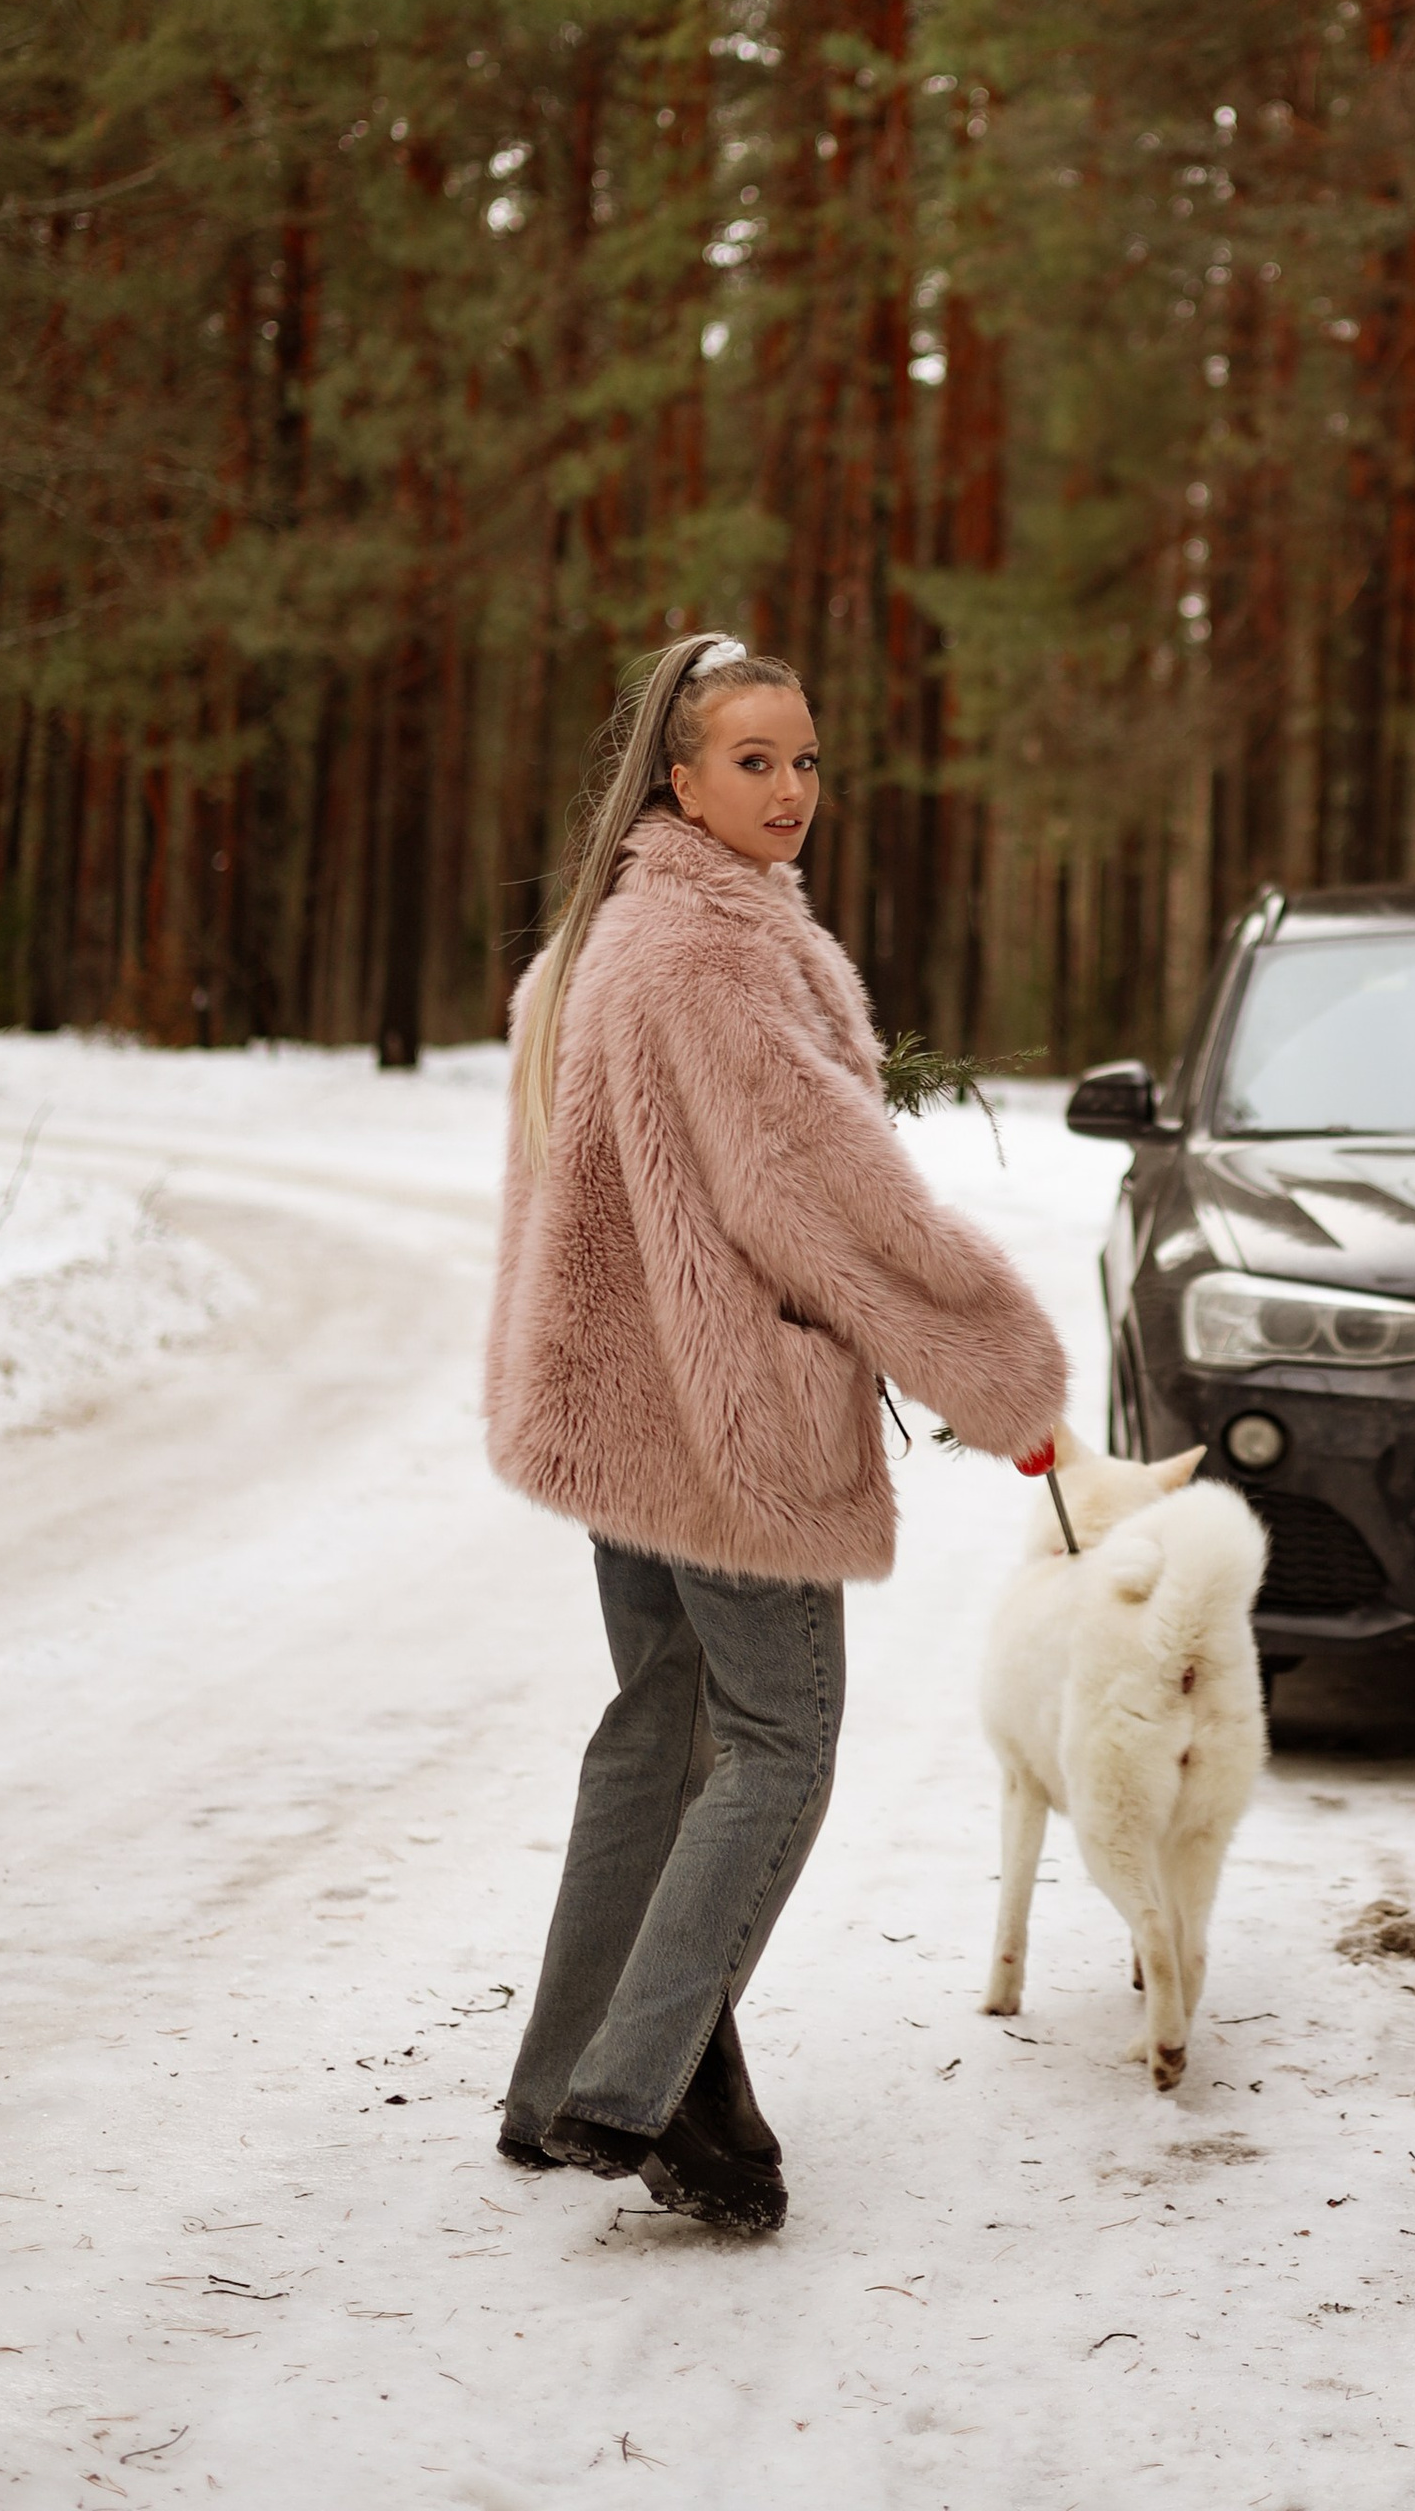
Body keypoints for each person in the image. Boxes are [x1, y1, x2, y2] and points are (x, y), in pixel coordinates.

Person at [484, 629, 1066, 2234]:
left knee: (659, 1728)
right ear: (680, 778)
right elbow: (827, 1200)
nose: (791, 790)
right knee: (779, 1744)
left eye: (807, 760)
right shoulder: (712, 956)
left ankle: (554, 2085)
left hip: (624, 1420)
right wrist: (995, 1368)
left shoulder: (600, 944)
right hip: (723, 1430)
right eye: (755, 761)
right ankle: (644, 2077)